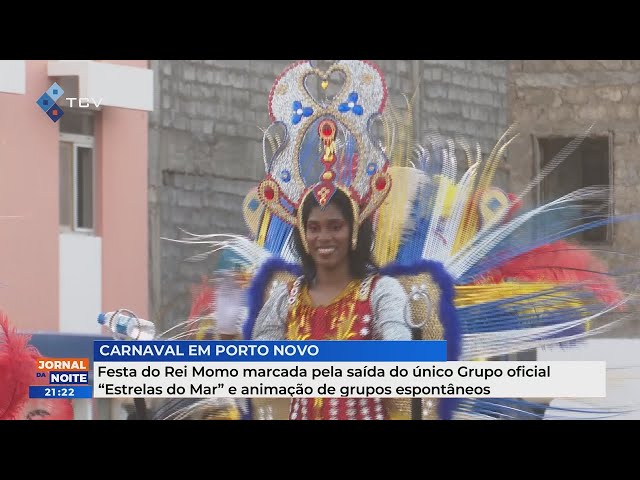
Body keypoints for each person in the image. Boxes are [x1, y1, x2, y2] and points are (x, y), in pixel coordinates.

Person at [136, 60, 638, 420]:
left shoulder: (383, 294)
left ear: (355, 230)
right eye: (314, 227)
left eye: (334, 226)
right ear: (301, 233)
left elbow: (401, 363)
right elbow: (260, 371)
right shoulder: (284, 298)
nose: (324, 237)